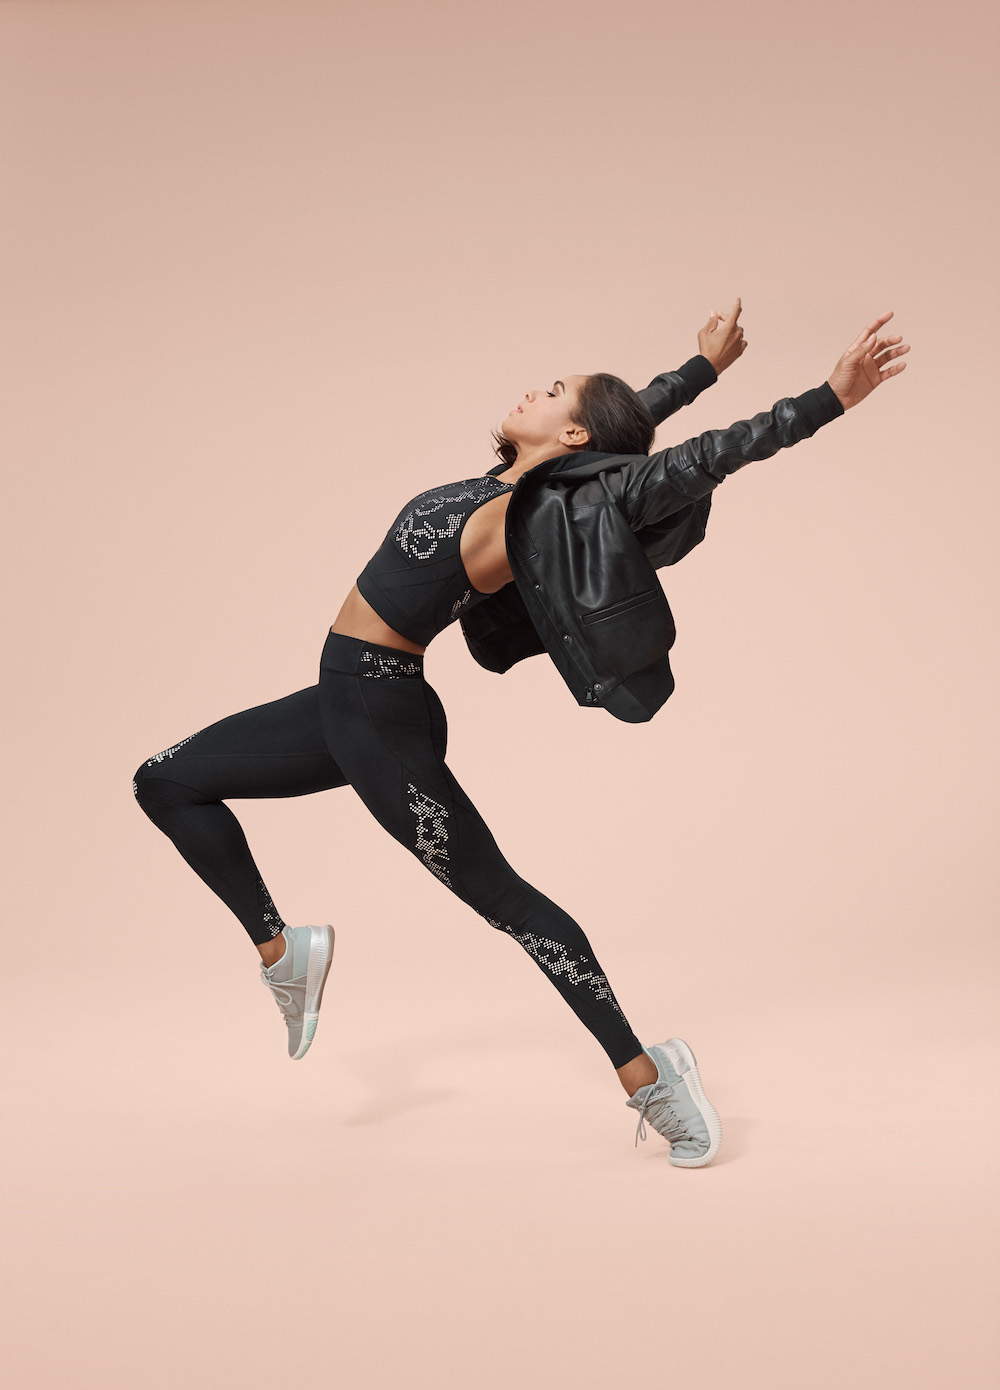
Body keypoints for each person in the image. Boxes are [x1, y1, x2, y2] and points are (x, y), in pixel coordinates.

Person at [133, 300, 908, 1168]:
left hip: (378, 719)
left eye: (551, 391)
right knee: (164, 779)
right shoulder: (513, 482)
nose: (532, 391)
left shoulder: (546, 516)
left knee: (507, 903)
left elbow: (704, 458)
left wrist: (829, 398)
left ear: (571, 433)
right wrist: (700, 370)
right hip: (345, 703)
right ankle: (285, 953)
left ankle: (650, 1077)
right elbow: (628, 419)